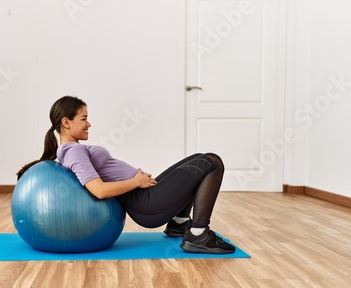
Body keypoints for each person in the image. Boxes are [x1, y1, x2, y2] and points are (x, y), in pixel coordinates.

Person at [17, 96, 235, 254]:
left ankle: (179, 223)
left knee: (200, 157)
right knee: (212, 162)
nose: (89, 123)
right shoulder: (72, 151)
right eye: (83, 118)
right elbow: (99, 190)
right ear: (66, 122)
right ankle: (198, 234)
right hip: (145, 204)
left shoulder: (70, 150)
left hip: (145, 199)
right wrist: (135, 181)